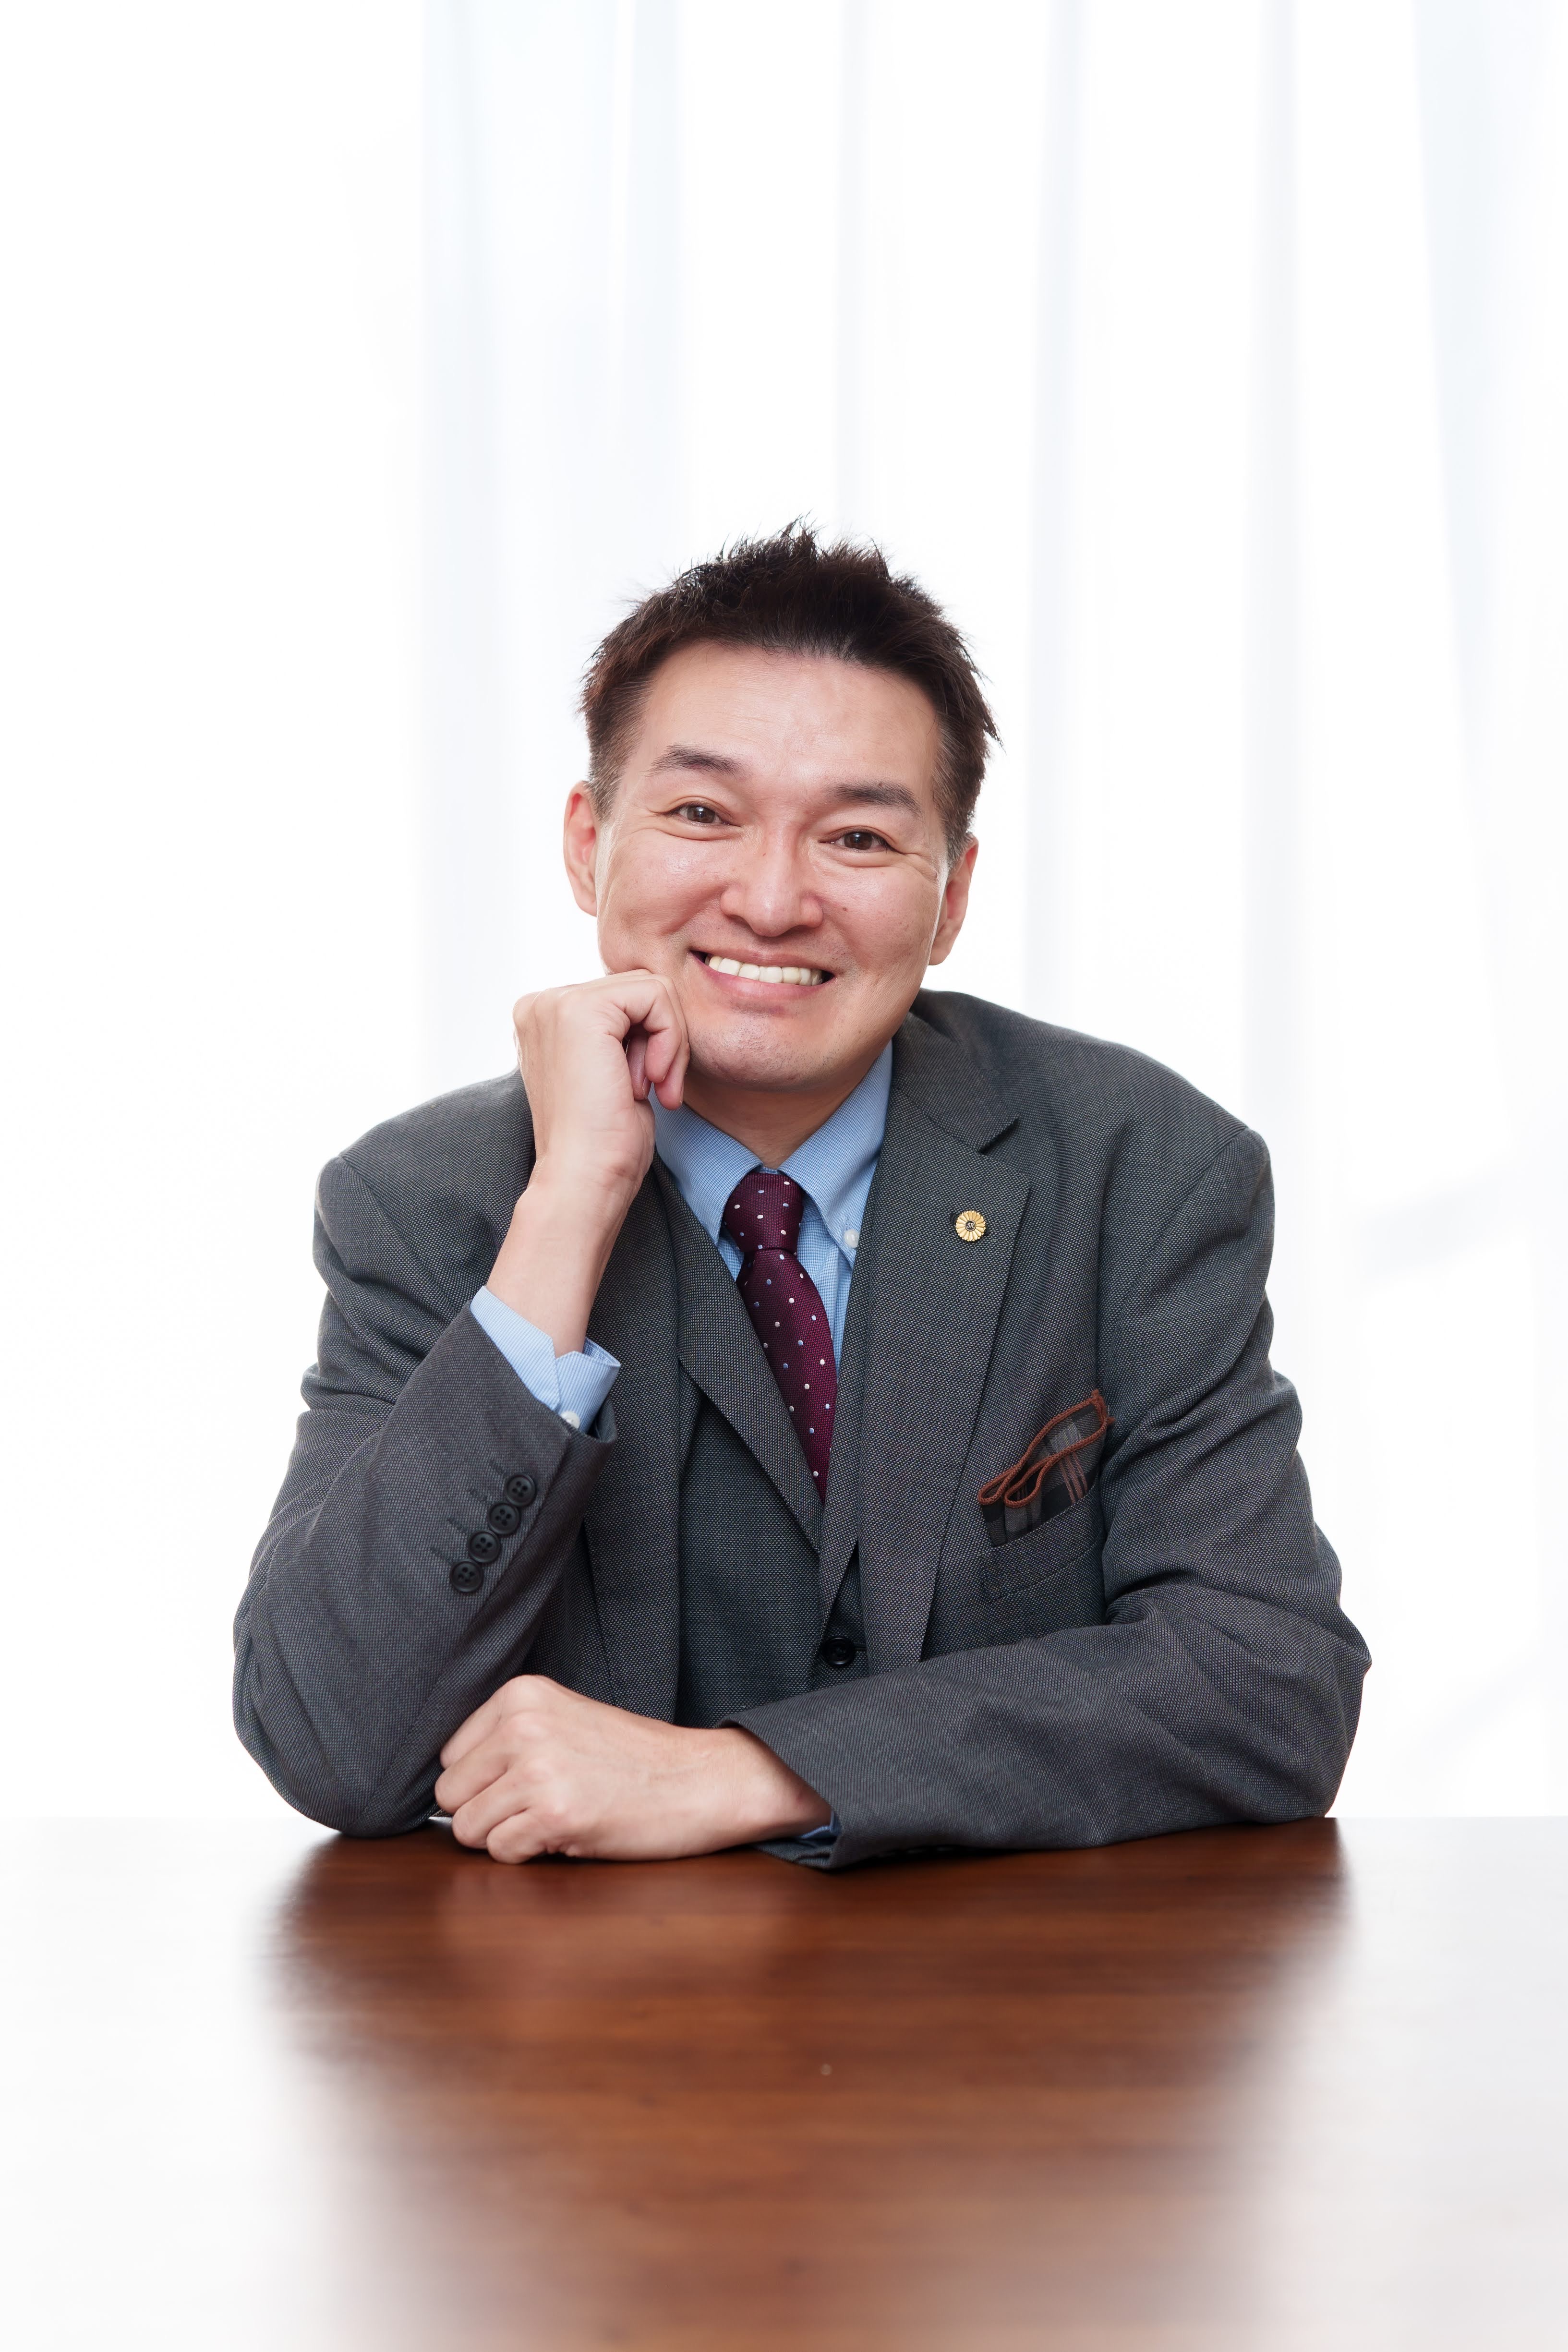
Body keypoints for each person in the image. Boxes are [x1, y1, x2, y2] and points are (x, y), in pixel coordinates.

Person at [234, 527, 1368, 1870]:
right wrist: (570, 1202)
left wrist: (753, 1771)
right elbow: (330, 1733)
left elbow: (1265, 1681)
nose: (771, 901)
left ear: (951, 895)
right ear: (589, 845)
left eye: (858, 836)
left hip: (1017, 1987)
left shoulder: (1140, 1167)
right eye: (701, 815)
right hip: (580, 1997)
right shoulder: (423, 1202)